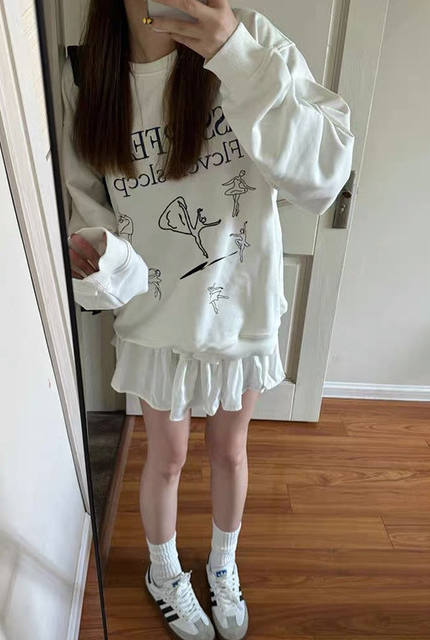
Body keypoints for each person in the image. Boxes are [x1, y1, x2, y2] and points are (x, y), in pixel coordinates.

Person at [62, 1, 355, 638]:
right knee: (165, 458)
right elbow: (85, 201)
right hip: (155, 316)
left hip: (239, 304)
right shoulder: (86, 73)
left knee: (230, 449)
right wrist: (100, 258)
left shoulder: (248, 37)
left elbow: (324, 173)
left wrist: (236, 56)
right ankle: (163, 571)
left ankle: (223, 564)